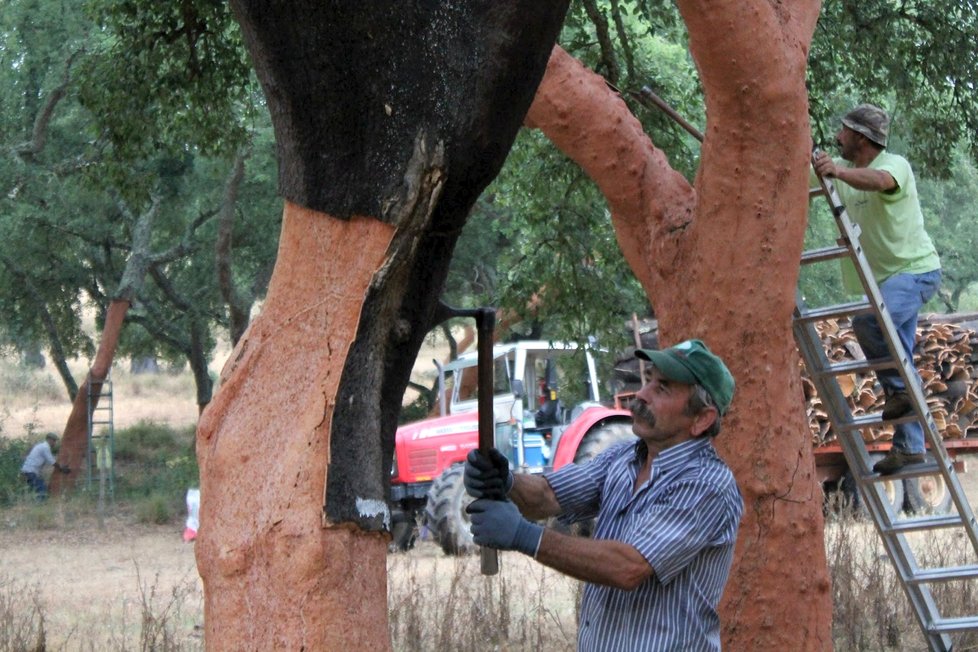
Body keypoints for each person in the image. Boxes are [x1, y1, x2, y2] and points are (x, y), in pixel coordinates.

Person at [464, 339, 743, 652]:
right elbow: (548, 496)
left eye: (662, 388)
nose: (642, 394)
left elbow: (628, 566)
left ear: (701, 419)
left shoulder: (707, 485)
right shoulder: (623, 458)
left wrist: (523, 535)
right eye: (648, 379)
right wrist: (507, 481)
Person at [813, 104, 942, 474]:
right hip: (884, 280)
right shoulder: (843, 173)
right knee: (898, 354)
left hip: (915, 271)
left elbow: (882, 181)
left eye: (844, 131)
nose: (837, 137)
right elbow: (797, 178)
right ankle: (910, 446)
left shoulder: (894, 164)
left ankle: (901, 394)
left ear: (861, 137)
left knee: (869, 323)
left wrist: (836, 170)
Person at [20, 433, 69, 498]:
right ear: (49, 440)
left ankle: (31, 503)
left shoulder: (41, 446)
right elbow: (52, 461)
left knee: (34, 488)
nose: (55, 443)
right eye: (54, 441)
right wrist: (61, 468)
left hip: (28, 470)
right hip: (31, 471)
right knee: (41, 488)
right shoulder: (45, 447)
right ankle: (40, 504)